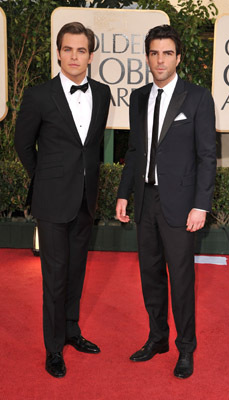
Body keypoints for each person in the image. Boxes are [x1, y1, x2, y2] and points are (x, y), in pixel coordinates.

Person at [116, 25, 216, 379]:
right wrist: (124, 193)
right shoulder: (139, 96)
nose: (160, 60)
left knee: (182, 279)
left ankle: (185, 347)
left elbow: (207, 155)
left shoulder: (197, 98)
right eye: (154, 53)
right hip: (145, 200)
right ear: (147, 57)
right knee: (150, 276)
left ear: (178, 58)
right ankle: (157, 337)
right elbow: (133, 150)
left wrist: (201, 204)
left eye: (167, 53)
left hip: (181, 204)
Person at [15, 22, 111, 378]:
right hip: (52, 202)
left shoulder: (102, 93)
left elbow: (92, 146)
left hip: (86, 199)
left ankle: (71, 330)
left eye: (81, 50)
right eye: (68, 49)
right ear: (58, 52)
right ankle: (53, 348)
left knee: (76, 272)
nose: (74, 56)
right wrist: (46, 179)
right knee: (54, 277)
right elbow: (22, 144)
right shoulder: (39, 95)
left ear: (90, 55)